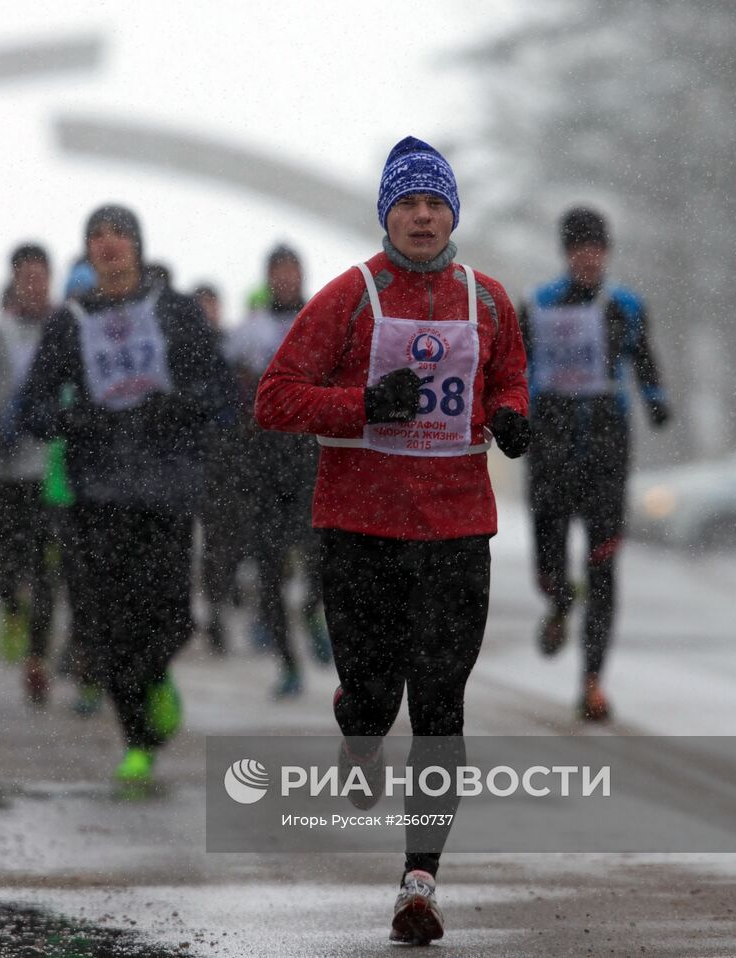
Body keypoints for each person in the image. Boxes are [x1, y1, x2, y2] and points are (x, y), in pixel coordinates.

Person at [256, 136, 530, 944]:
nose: (421, 215)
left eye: (434, 202)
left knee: (441, 705)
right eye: (406, 202)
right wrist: (366, 404)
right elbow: (276, 398)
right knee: (377, 694)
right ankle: (359, 726)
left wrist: (514, 416)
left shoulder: (487, 299)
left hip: (456, 530)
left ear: (453, 214)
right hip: (360, 532)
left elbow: (510, 375)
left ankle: (420, 880)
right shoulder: (350, 296)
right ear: (387, 214)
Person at [17, 204, 233, 791]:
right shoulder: (68, 323)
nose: (108, 244)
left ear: (138, 246)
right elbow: (29, 409)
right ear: (87, 252)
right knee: (104, 622)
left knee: (169, 613)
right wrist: (72, 418)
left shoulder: (177, 312)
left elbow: (219, 392)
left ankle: (156, 673)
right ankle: (137, 740)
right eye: (96, 236)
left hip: (165, 489)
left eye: (119, 234)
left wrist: (179, 408)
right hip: (96, 493)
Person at [520, 207, 671, 722]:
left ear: (607, 252)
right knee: (549, 564)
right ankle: (559, 603)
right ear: (566, 253)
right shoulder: (537, 303)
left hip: (607, 449)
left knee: (604, 564)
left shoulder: (626, 305)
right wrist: (509, 414)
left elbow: (645, 361)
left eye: (596, 247)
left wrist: (656, 399)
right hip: (551, 448)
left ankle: (591, 683)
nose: (588, 255)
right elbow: (515, 369)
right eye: (579, 247)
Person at [225, 244, 328, 697]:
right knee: (267, 567)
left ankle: (312, 611)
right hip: (262, 461)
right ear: (268, 277)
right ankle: (288, 663)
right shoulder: (248, 332)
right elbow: (229, 394)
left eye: (293, 271)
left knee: (320, 557)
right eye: (278, 272)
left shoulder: (323, 321)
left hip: (311, 458)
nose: (286, 279)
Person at [0, 243, 58, 700]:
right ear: (15, 282)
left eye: (41, 277)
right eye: (26, 278)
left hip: (45, 468)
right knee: (3, 558)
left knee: (44, 567)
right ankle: (9, 612)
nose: (34, 285)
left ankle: (38, 657)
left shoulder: (64, 331)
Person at [191, 283, 244, 656]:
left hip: (222, 458)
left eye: (212, 305)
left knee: (220, 540)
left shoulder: (229, 347)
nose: (208, 312)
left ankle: (215, 609)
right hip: (186, 457)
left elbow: (236, 402)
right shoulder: (182, 348)